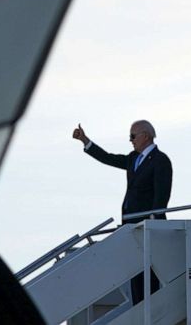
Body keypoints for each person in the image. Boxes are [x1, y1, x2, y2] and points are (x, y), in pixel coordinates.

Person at [72, 120, 172, 304]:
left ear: (146, 136)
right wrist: (85, 141)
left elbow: (161, 198)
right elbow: (109, 158)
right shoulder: (133, 158)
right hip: (130, 227)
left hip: (147, 229)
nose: (130, 140)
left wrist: (153, 222)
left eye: (133, 136)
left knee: (148, 279)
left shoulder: (160, 160)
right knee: (135, 274)